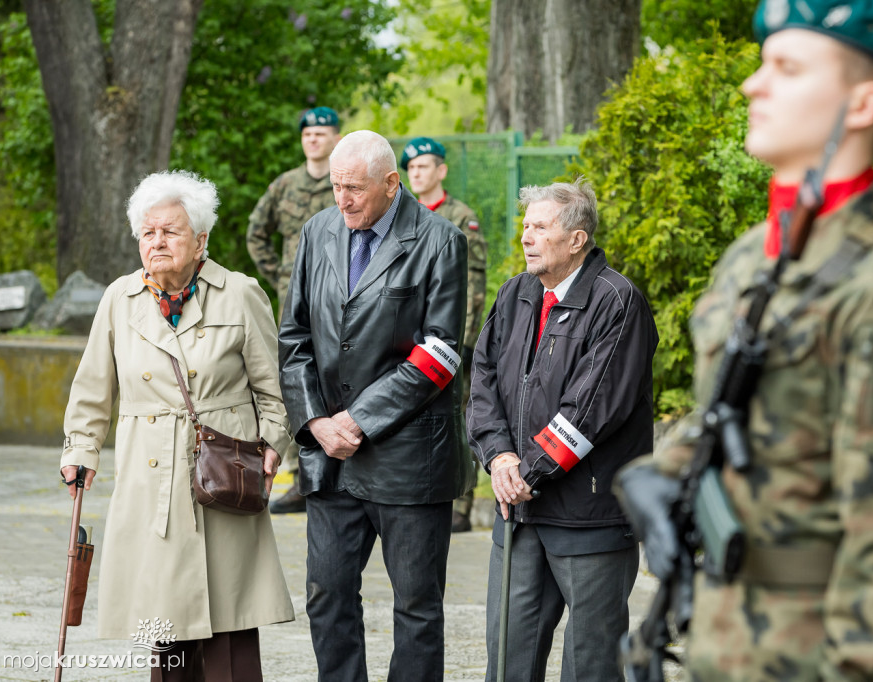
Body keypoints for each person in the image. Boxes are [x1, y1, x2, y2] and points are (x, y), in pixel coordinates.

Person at [616, 1, 873, 680]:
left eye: (785, 67)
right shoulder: (754, 258)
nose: (755, 84)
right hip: (725, 643)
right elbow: (749, 418)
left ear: (862, 102)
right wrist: (662, 476)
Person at [59, 170, 295, 681]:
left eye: (171, 231)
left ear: (201, 238)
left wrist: (273, 444)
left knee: (229, 624)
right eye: (148, 232)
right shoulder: (119, 300)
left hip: (223, 475)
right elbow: (93, 389)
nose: (158, 242)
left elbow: (274, 390)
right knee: (163, 626)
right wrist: (81, 449)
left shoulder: (240, 294)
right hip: (152, 486)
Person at [278, 130, 472, 681]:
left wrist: (358, 419)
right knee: (328, 594)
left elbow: (439, 353)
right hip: (330, 457)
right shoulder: (318, 232)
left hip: (408, 457)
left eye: (354, 189)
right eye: (336, 187)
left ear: (392, 184)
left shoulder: (440, 241)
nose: (342, 199)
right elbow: (293, 337)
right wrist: (315, 420)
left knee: (415, 607)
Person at [468, 178, 659, 682]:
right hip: (519, 512)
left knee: (591, 664)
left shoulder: (617, 301)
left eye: (540, 227)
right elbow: (482, 379)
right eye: (524, 226)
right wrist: (499, 459)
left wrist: (527, 470)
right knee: (507, 657)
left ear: (577, 239)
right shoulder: (514, 294)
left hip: (589, 518)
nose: (526, 237)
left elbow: (591, 406)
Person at [246, 105, 341, 514]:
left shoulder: (345, 183)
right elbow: (256, 233)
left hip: (340, 301)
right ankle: (302, 478)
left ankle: (335, 471)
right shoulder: (285, 185)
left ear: (336, 137)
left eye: (321, 133)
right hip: (295, 304)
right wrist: (281, 276)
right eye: (308, 134)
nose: (314, 139)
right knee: (297, 384)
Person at [401, 136, 488, 532]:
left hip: (450, 338)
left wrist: (465, 342)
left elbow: (473, 286)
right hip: (409, 337)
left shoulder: (460, 215)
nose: (415, 173)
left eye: (423, 166)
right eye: (411, 168)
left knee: (459, 417)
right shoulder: (401, 214)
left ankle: (462, 503)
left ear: (441, 170)